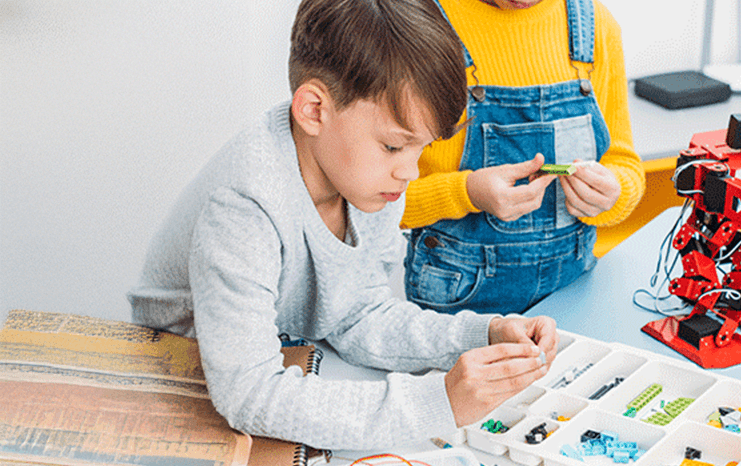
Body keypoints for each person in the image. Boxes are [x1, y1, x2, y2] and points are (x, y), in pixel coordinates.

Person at [127, 0, 558, 451]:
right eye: (393, 147)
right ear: (314, 110)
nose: (410, 172)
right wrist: (437, 402)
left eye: (422, 148)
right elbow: (248, 392)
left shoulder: (368, 181)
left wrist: (481, 334)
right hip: (178, 387)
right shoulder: (245, 204)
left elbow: (357, 316)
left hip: (283, 363)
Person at [401, 0, 646, 315]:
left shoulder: (593, 25)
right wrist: (466, 193)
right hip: (458, 308)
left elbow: (624, 163)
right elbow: (365, 204)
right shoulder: (412, 24)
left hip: (571, 294)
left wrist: (613, 193)